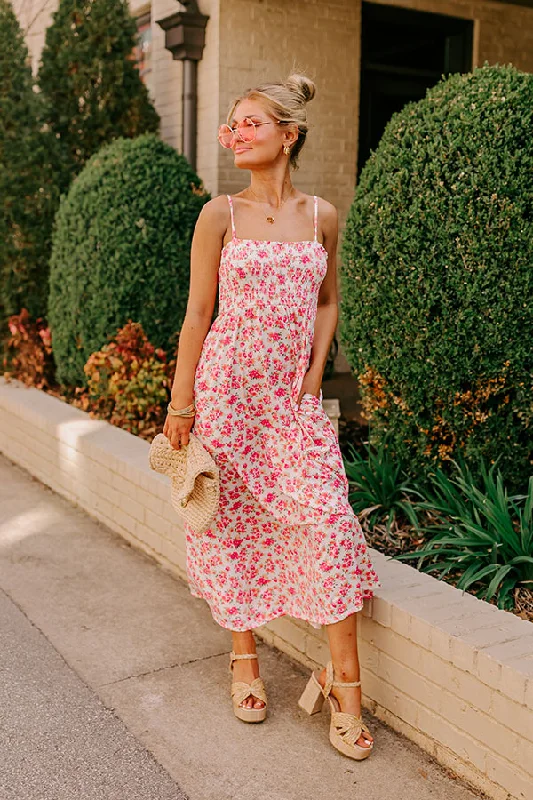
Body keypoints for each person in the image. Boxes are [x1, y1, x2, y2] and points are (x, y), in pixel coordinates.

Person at [163, 72, 381, 760]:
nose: (235, 134)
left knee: (330, 526)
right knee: (230, 525)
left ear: (289, 134)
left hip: (291, 404)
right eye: (231, 124)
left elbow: (326, 301)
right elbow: (199, 313)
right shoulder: (218, 215)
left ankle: (344, 689)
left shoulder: (321, 215)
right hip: (226, 393)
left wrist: (316, 373)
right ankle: (243, 659)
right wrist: (180, 402)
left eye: (250, 122)